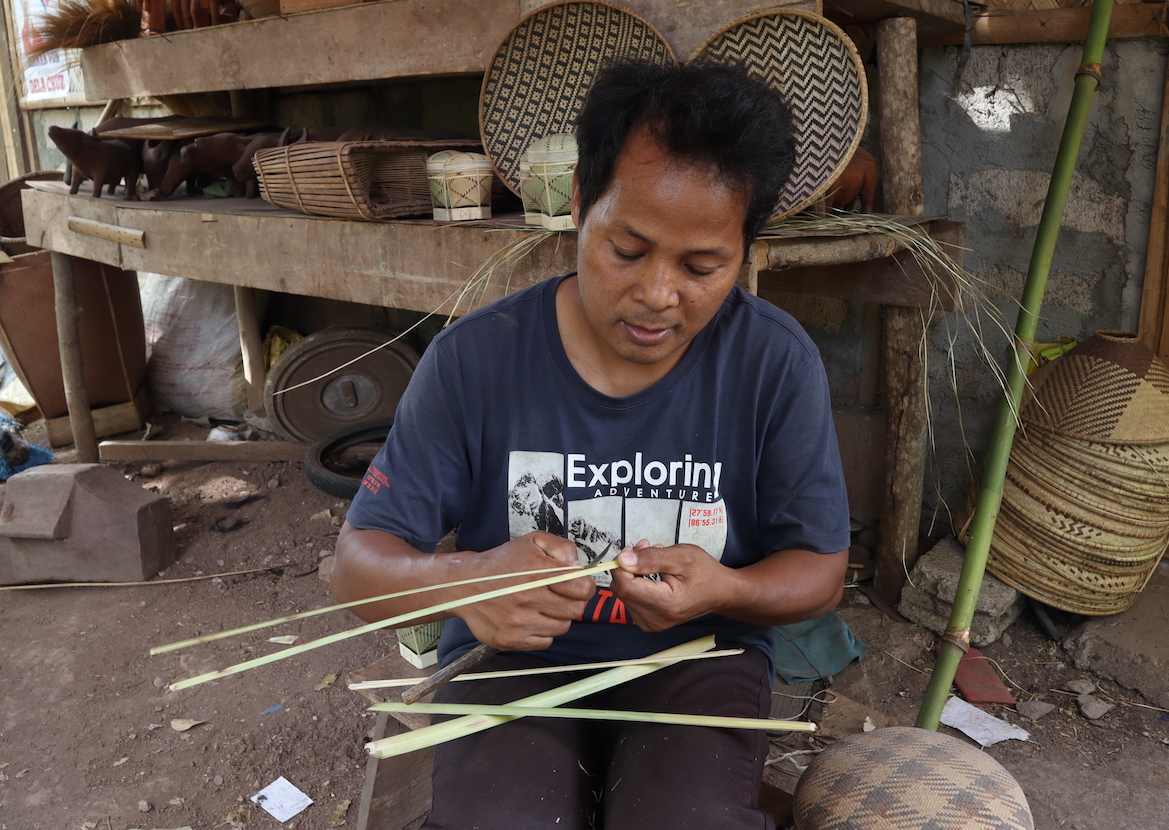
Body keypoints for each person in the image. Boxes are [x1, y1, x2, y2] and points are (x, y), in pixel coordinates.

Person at [331, 61, 850, 830]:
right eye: (628, 250)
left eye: (702, 266)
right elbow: (355, 566)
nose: (658, 293)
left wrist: (727, 592)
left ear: (745, 251)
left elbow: (819, 570)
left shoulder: (772, 361)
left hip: (695, 658)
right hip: (512, 663)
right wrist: (469, 582)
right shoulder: (477, 359)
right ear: (579, 202)